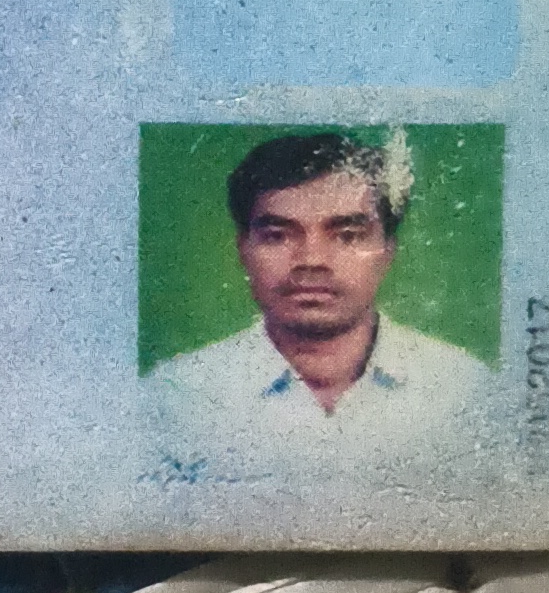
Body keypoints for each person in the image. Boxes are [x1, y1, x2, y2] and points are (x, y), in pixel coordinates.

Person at [140, 130, 498, 467]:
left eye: (347, 236)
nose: (311, 261)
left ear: (388, 251)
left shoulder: (465, 394)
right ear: (243, 250)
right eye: (278, 236)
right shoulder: (175, 401)